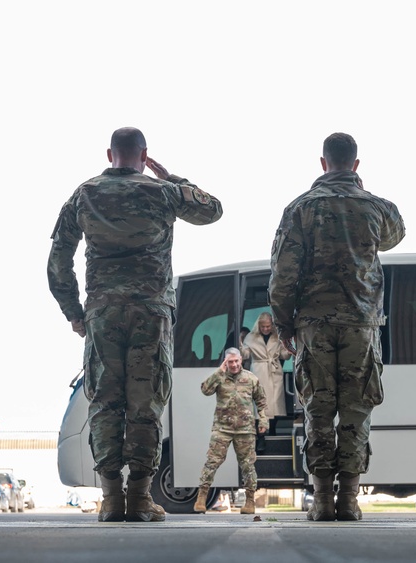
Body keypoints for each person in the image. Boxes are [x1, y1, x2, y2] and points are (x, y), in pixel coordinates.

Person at [47, 127, 223, 522]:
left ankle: (111, 499)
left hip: (103, 314)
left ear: (110, 153)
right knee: (146, 404)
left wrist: (74, 311)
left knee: (106, 402)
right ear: (144, 156)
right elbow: (212, 210)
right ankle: (140, 498)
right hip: (151, 313)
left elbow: (58, 258)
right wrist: (173, 178)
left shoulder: (86, 194)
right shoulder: (162, 192)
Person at [268, 132, 405, 521]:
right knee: (356, 411)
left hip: (313, 325)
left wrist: (284, 324)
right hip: (361, 324)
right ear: (356, 165)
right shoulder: (377, 208)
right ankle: (349, 500)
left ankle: (323, 500)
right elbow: (394, 236)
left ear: (323, 162)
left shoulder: (299, 209)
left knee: (318, 410)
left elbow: (282, 273)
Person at [194, 348, 268, 515]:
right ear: (225, 362)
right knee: (212, 462)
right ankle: (201, 498)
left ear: (241, 360)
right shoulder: (219, 377)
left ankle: (250, 501)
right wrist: (218, 372)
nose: (234, 365)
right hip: (222, 428)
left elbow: (261, 401)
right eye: (230, 362)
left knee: (248, 466)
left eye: (236, 361)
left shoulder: (251, 378)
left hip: (245, 430)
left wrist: (263, 420)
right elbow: (205, 390)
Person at [241, 312, 292, 420]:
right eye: (263, 326)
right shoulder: (251, 337)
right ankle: (261, 433)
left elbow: (283, 355)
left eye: (268, 326)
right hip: (259, 371)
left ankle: (273, 430)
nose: (265, 329)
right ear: (258, 326)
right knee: (260, 401)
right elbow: (245, 355)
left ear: (272, 325)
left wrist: (289, 350)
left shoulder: (278, 336)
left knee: (275, 403)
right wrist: (240, 344)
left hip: (274, 371)